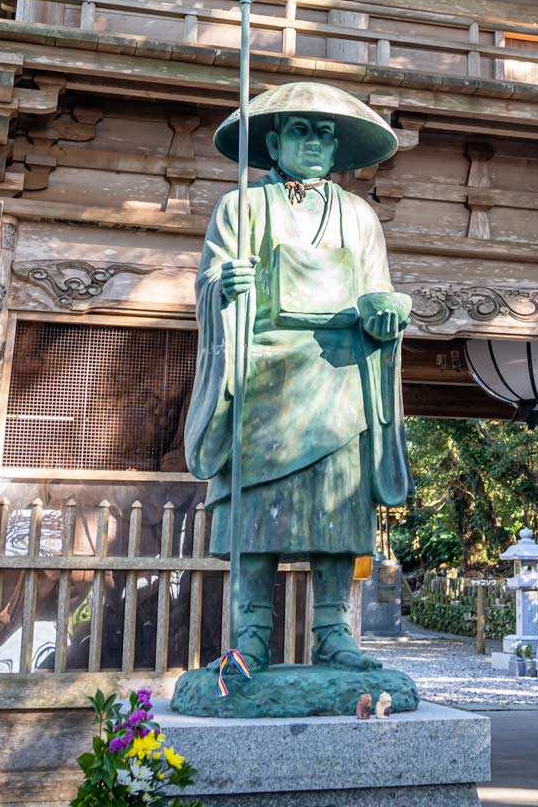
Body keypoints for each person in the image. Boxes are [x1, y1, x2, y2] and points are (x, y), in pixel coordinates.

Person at [183, 81, 411, 673]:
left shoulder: (359, 216)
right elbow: (210, 284)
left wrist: (386, 311)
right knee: (253, 508)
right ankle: (251, 632)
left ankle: (333, 628)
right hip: (263, 380)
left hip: (338, 380)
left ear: (337, 148)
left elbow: (376, 289)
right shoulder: (240, 207)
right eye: (301, 131)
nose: (314, 143)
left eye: (325, 134)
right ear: (275, 140)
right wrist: (222, 288)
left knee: (336, 508)